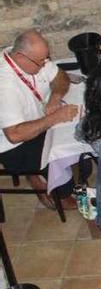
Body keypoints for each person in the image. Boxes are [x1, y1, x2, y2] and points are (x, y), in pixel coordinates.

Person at [0, 30, 81, 209]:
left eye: (46, 59)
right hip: (14, 147)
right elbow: (14, 134)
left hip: (39, 123)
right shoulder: (5, 85)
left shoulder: (25, 57)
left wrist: (56, 96)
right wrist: (54, 118)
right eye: (40, 61)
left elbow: (61, 76)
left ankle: (54, 179)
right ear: (21, 56)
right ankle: (54, 190)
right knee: (64, 154)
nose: (45, 64)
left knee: (80, 149)